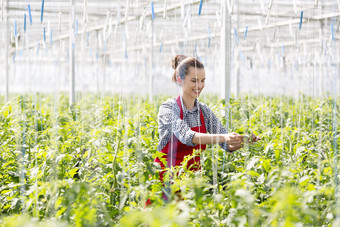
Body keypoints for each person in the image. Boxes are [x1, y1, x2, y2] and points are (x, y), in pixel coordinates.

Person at [147, 55, 260, 205]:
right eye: (194, 80)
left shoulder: (204, 111)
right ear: (180, 80)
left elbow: (226, 143)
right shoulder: (168, 108)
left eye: (203, 80)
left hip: (191, 183)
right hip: (165, 180)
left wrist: (241, 140)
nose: (199, 85)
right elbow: (186, 135)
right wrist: (223, 137)